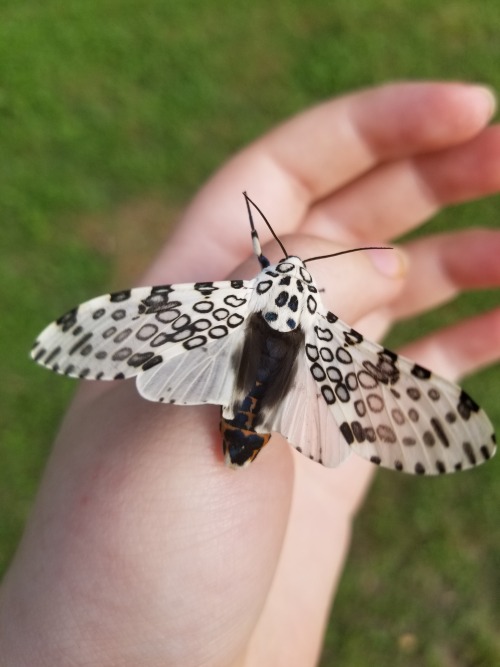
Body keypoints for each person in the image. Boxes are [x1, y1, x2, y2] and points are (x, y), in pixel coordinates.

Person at [1, 81, 499, 667]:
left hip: (239, 383)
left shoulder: (238, 295)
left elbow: (259, 261)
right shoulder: (319, 326)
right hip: (267, 406)